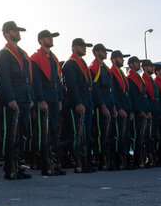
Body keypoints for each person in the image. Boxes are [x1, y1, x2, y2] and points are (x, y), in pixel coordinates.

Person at [0, 21, 33, 180]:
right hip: (13, 100)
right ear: (7, 33)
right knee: (11, 134)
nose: (18, 33)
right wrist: (10, 98)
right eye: (15, 31)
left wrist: (30, 97)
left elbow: (29, 78)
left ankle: (17, 165)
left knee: (22, 134)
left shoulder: (23, 54)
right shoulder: (3, 54)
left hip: (24, 98)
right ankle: (9, 167)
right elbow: (4, 80)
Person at [30, 30, 65, 176]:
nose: (51, 40)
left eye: (51, 38)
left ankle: (51, 162)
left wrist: (60, 99)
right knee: (42, 132)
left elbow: (58, 81)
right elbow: (36, 82)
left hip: (54, 97)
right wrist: (41, 99)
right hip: (44, 97)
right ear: (40, 40)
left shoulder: (53, 58)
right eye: (48, 37)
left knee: (53, 132)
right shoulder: (36, 58)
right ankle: (43, 163)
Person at [62, 38, 94, 172]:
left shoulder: (82, 63)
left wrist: (89, 104)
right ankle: (78, 162)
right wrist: (78, 103)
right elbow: (71, 86)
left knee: (85, 132)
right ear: (74, 47)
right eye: (82, 46)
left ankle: (85, 160)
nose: (84, 48)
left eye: (85, 46)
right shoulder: (70, 64)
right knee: (78, 133)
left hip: (86, 100)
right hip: (77, 102)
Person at [88, 44, 117, 170]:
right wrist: (102, 105)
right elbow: (96, 90)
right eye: (103, 51)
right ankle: (101, 160)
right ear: (96, 52)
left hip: (109, 104)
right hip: (101, 106)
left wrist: (114, 106)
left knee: (109, 133)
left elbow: (110, 90)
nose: (105, 53)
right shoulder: (93, 68)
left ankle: (108, 158)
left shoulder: (104, 68)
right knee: (101, 133)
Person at [108, 50, 131, 169]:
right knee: (118, 135)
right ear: (113, 60)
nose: (122, 60)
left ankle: (124, 159)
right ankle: (117, 160)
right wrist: (119, 108)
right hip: (119, 107)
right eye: (120, 58)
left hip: (126, 106)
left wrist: (129, 110)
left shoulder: (121, 73)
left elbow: (126, 92)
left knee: (125, 135)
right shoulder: (111, 72)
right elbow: (114, 93)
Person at [126, 56, 150, 168]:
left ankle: (141, 158)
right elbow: (133, 97)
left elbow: (144, 96)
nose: (138, 64)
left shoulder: (139, 77)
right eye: (136, 62)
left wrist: (147, 110)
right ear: (130, 64)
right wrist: (139, 110)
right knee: (136, 136)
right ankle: (136, 159)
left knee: (143, 137)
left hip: (143, 109)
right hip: (136, 112)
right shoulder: (130, 77)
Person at [141, 60, 161, 166]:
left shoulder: (151, 80)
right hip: (148, 110)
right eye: (149, 66)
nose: (152, 68)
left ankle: (153, 157)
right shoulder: (143, 79)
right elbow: (145, 97)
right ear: (144, 67)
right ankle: (147, 157)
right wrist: (147, 110)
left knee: (154, 135)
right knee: (147, 136)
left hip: (155, 110)